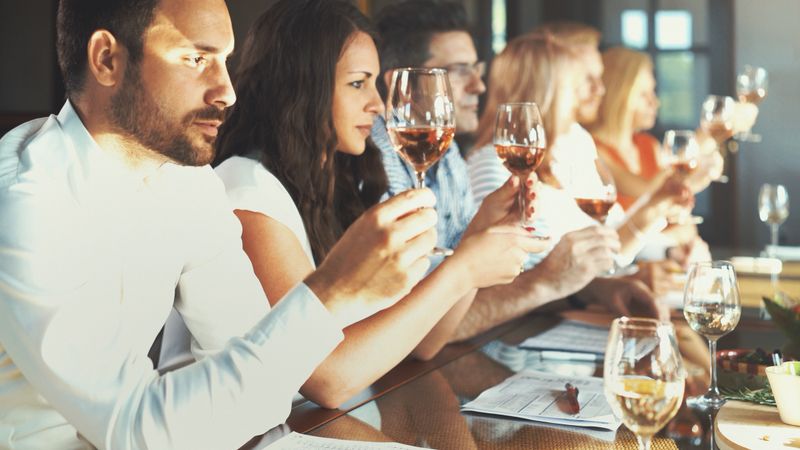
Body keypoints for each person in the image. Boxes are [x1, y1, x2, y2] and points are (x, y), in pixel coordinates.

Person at [0, 0, 443, 448]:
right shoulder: (27, 204)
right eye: (197, 59)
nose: (227, 91)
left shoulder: (187, 182)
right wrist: (332, 293)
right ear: (107, 60)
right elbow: (139, 431)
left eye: (225, 61)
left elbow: (265, 394)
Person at [189, 0, 544, 410]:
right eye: (359, 83)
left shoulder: (333, 186)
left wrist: (477, 236)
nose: (378, 104)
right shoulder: (247, 193)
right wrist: (462, 272)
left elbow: (423, 344)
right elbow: (326, 379)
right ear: (303, 86)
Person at [372, 1, 665, 343]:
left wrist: (593, 289)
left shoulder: (448, 155)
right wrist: (549, 280)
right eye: (459, 70)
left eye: (476, 70)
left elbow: (458, 297)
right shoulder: (384, 156)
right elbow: (430, 325)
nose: (478, 87)